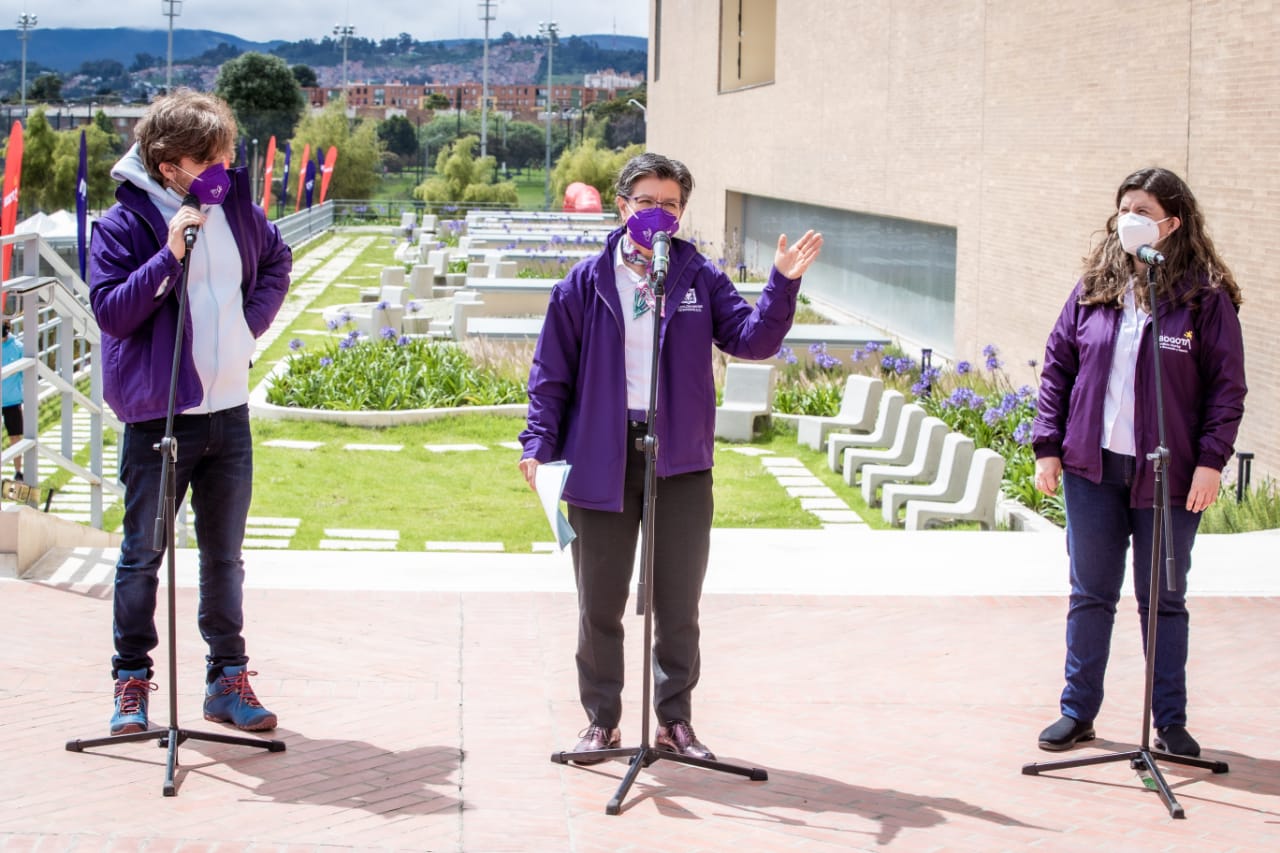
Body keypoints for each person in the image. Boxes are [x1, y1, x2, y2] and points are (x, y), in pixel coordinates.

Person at [519, 152, 823, 761]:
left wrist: (782, 283)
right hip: (599, 463)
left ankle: (674, 722)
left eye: (671, 205)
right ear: (622, 204)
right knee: (598, 604)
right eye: (647, 201)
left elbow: (753, 338)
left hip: (679, 461)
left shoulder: (697, 277)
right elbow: (550, 378)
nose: (659, 213)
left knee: (677, 603)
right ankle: (601, 722)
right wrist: (537, 448)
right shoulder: (582, 285)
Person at [88, 89, 292, 735]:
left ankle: (226, 679)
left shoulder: (233, 206)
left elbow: (277, 263)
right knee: (143, 553)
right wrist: (170, 253)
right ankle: (131, 680)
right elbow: (113, 312)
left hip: (227, 412)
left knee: (224, 556)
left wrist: (244, 331)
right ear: (169, 163)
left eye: (227, 156)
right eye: (212, 159)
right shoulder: (121, 226)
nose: (225, 169)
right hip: (158, 419)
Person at [1032, 167, 1246, 757]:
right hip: (1092, 470)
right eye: (1123, 207)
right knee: (1091, 594)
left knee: (1164, 600)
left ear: (1171, 225)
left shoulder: (1204, 299)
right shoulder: (1093, 288)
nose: (1128, 218)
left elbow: (1227, 389)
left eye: (1143, 210)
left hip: (1170, 475)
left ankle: (1169, 722)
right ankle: (1077, 713)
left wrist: (1210, 461)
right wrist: (1048, 445)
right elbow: (1057, 369)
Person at [1, 320, 24, 482]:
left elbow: (25, 374)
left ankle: (18, 472)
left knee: (15, 437)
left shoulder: (18, 347)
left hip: (12, 401)